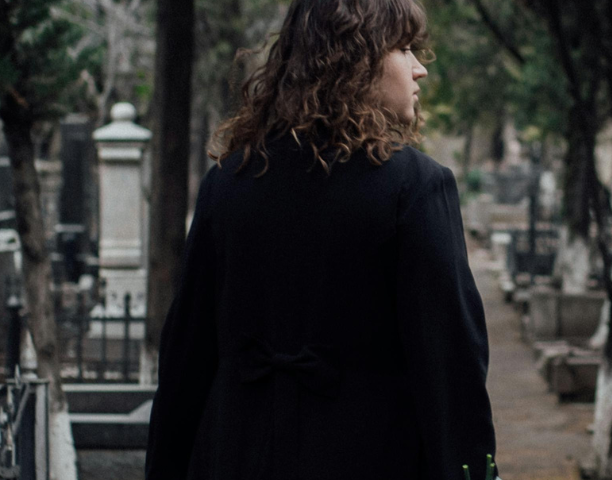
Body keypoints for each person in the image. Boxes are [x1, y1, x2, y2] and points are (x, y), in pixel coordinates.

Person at [143, 1, 498, 479]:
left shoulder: (228, 183)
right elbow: (450, 371)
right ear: (359, 57)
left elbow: (183, 366)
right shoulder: (415, 188)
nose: (419, 70)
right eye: (405, 49)